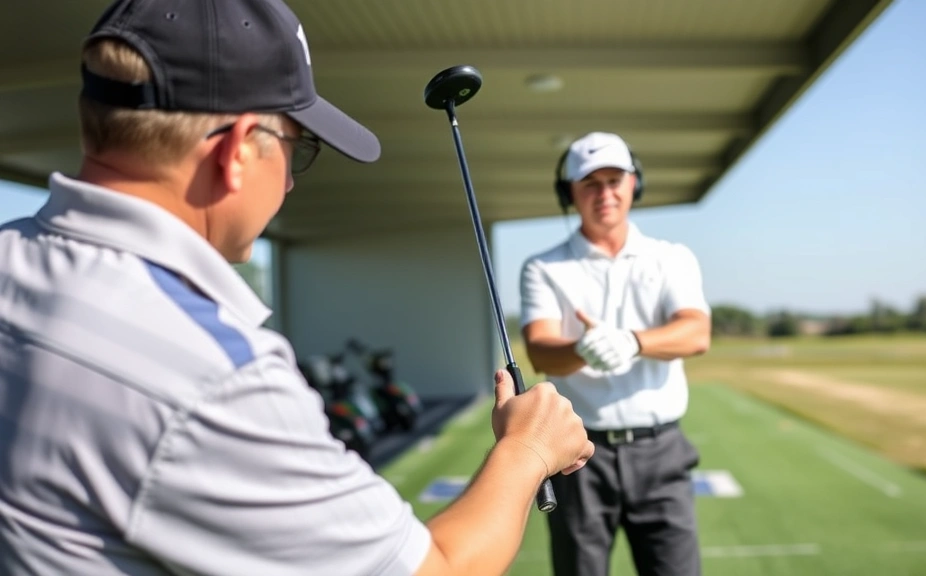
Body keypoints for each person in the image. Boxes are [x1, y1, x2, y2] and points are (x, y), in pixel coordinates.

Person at [0, 1, 594, 575]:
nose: (288, 182)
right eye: (296, 148)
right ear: (236, 153)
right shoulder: (219, 380)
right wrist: (528, 451)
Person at [518, 131, 712, 576]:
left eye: (614, 180)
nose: (604, 193)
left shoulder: (671, 258)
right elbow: (543, 351)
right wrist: (583, 348)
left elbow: (696, 332)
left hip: (661, 449)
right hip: (579, 456)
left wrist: (633, 340)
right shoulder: (544, 267)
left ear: (634, 184)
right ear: (569, 192)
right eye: (590, 183)